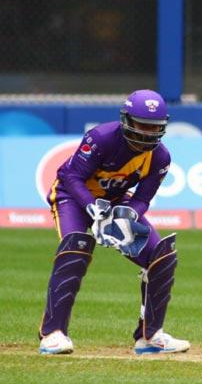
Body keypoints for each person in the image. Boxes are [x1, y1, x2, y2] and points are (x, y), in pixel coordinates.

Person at [38, 89, 191, 355]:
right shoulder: (101, 138)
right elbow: (72, 178)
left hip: (115, 201)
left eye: (154, 127)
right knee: (76, 248)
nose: (147, 133)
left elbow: (143, 198)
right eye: (142, 125)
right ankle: (53, 334)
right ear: (126, 120)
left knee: (160, 257)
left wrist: (127, 215)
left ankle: (149, 337)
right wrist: (92, 208)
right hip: (73, 197)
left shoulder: (160, 157)